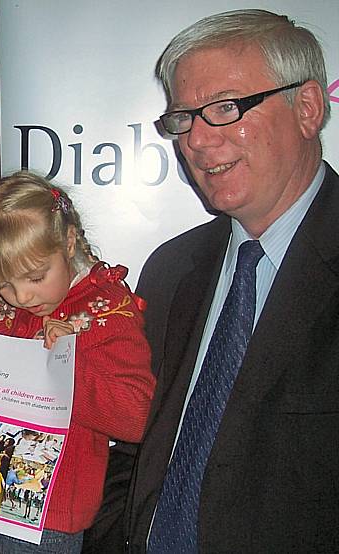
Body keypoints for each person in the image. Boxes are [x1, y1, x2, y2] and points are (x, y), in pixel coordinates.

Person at [126, 9, 338, 553]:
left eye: (225, 107)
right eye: (183, 117)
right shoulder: (171, 268)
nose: (195, 140)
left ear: (308, 108)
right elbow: (132, 449)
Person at [0, 172, 155, 553]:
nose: (22, 296)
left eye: (35, 277)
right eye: (2, 283)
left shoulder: (107, 310)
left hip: (44, 520)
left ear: (69, 240)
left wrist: (66, 365)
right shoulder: (3, 306)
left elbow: (137, 417)